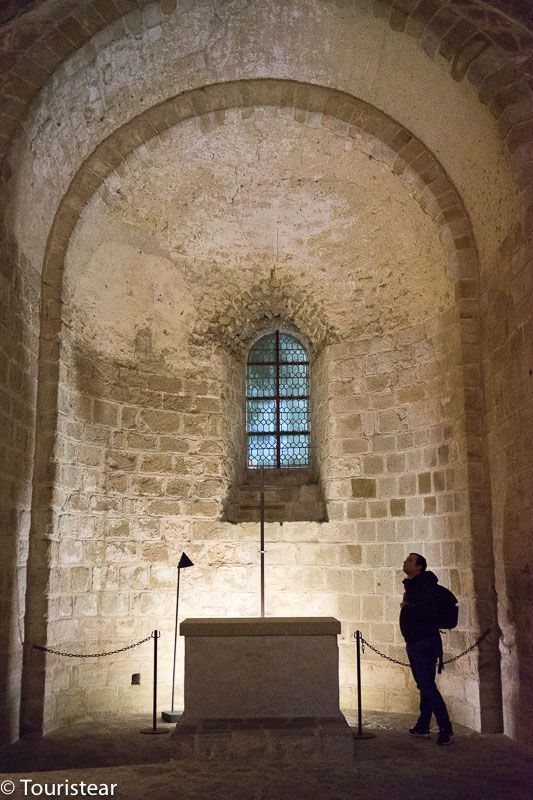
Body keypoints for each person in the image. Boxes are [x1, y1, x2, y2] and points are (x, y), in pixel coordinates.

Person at [400, 552, 454, 745]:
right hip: (415, 641)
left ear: (419, 567)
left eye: (410, 560)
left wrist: (408, 607)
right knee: (424, 685)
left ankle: (445, 729)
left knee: (428, 686)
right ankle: (423, 725)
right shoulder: (414, 585)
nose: (406, 561)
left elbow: (426, 613)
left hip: (424, 642)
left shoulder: (425, 586)